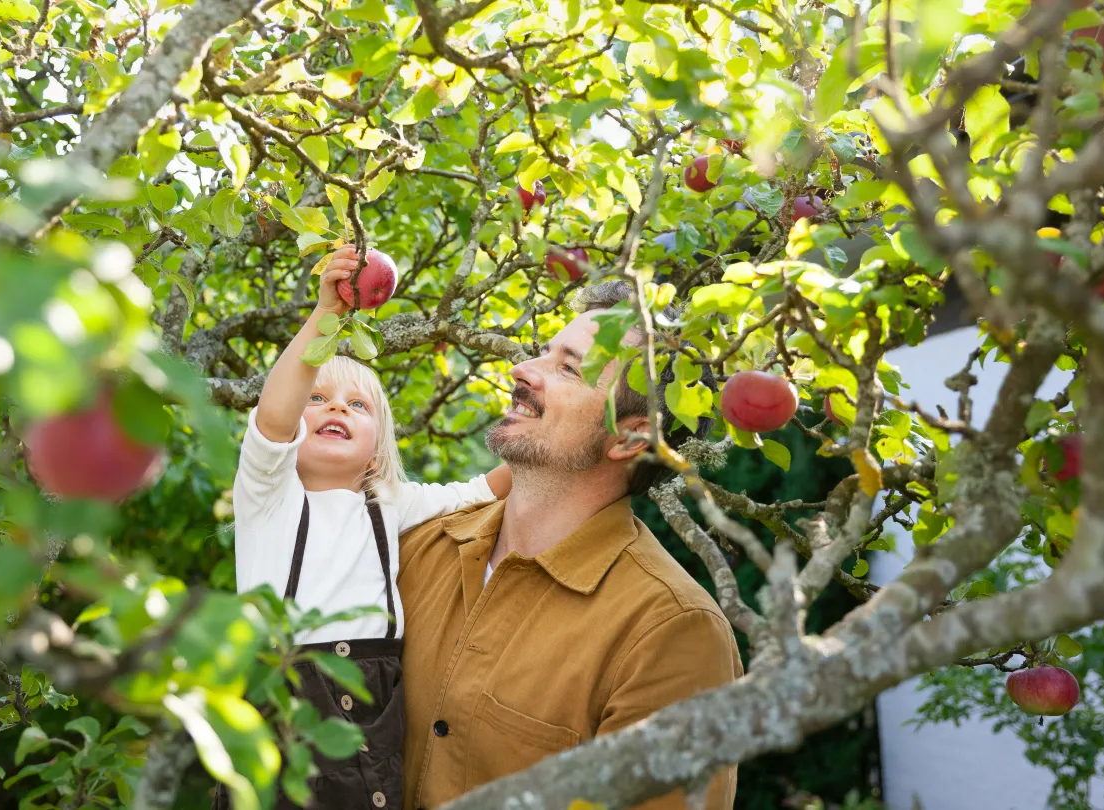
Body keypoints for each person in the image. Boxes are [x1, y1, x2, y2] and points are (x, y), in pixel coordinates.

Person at [397, 278, 742, 810]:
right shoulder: (416, 549)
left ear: (629, 439)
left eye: (568, 369)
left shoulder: (671, 632)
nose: (522, 371)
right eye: (542, 353)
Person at [230, 244, 512, 810]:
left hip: (376, 698)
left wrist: (556, 436)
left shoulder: (389, 503)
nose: (336, 408)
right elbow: (274, 419)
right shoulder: (267, 496)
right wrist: (325, 319)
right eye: (318, 398)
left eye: (357, 406)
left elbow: (481, 490)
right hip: (289, 696)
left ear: (378, 455)